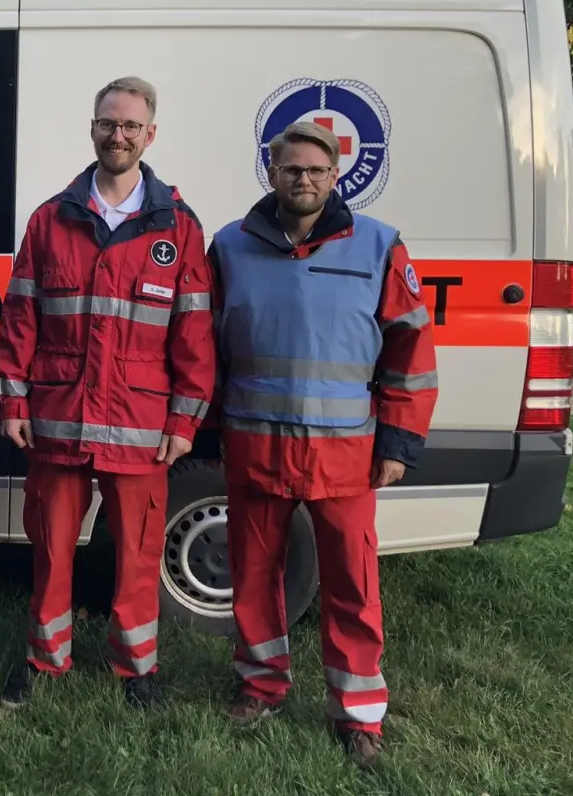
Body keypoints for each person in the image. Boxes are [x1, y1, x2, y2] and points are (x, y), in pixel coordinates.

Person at [209, 121, 438, 769]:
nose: (302, 179)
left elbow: (411, 353)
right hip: (255, 448)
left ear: (335, 176)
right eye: (290, 169)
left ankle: (358, 714)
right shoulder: (230, 247)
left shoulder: (378, 246)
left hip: (346, 457)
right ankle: (260, 687)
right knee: (254, 578)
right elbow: (205, 350)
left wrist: (398, 440)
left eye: (315, 170)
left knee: (353, 585)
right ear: (271, 173)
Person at [0, 76, 216, 710]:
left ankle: (136, 668)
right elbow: (21, 321)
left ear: (150, 134)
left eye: (130, 126)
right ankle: (45, 659)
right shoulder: (51, 219)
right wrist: (13, 402)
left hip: (143, 425)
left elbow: (193, 332)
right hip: (59, 419)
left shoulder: (178, 225)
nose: (117, 136)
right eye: (106, 124)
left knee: (139, 557)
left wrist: (184, 421)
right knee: (52, 551)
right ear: (92, 129)